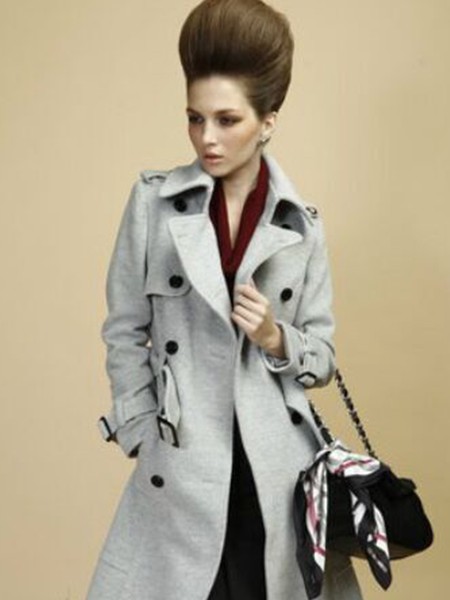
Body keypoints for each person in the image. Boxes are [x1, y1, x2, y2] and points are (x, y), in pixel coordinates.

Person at [86, 1, 364, 599]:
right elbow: (123, 328)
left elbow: (322, 359)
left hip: (275, 471)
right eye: (195, 118)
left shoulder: (301, 227)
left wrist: (275, 337)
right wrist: (141, 429)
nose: (207, 138)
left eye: (227, 120)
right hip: (182, 461)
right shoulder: (153, 205)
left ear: (268, 121)